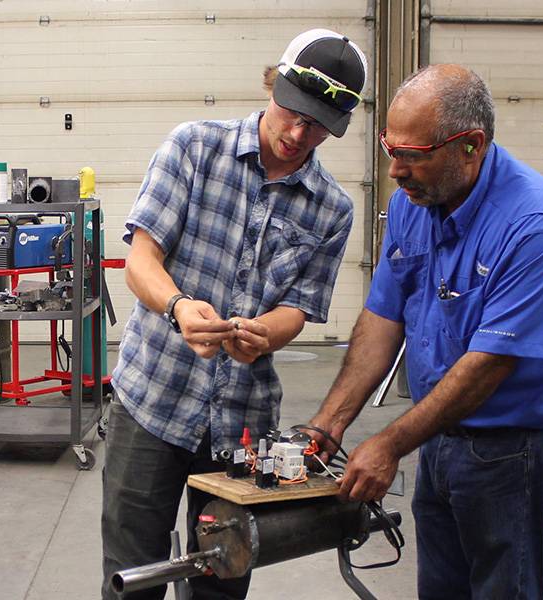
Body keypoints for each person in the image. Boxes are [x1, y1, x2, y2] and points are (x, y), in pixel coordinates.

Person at [308, 64, 543, 600]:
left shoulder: (538, 231)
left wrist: (390, 443)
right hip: (439, 433)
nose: (395, 171)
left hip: (511, 446)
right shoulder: (413, 203)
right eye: (389, 149)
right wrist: (328, 425)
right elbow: (383, 316)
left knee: (499, 589)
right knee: (441, 587)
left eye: (412, 155)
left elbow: (488, 366)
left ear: (471, 145)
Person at [101, 29, 368, 600]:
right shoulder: (194, 147)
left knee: (221, 580)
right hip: (152, 403)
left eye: (319, 125)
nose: (299, 134)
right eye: (294, 112)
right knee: (131, 577)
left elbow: (298, 308)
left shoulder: (332, 208)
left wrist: (266, 334)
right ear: (276, 84)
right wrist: (177, 306)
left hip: (239, 429)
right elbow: (140, 260)